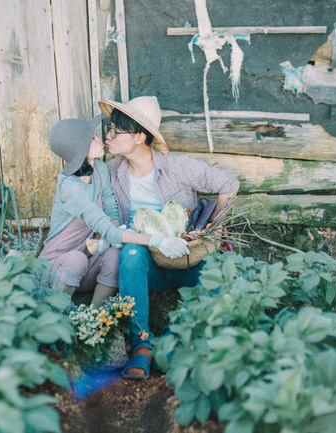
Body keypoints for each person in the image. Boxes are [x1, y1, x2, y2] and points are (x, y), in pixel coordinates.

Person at [98, 96, 240, 379]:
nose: (108, 136)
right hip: (146, 266)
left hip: (188, 259)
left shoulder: (177, 166)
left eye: (116, 130)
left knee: (217, 272)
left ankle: (178, 340)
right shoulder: (112, 172)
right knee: (131, 253)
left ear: (139, 136)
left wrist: (214, 227)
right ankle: (141, 345)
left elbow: (229, 183)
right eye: (109, 128)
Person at [39, 115, 190, 307]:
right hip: (56, 268)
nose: (99, 139)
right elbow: (107, 229)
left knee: (113, 256)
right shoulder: (71, 188)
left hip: (87, 262)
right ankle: (56, 315)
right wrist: (159, 240)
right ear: (80, 148)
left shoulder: (100, 169)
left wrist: (115, 224)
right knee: (76, 260)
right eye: (92, 138)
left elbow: (110, 203)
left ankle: (94, 317)